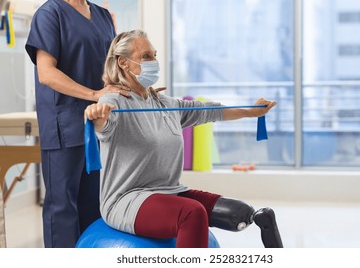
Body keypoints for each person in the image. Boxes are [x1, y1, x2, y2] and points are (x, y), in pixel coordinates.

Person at [84, 30, 284, 248]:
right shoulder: (113, 101)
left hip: (169, 191)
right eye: (146, 57)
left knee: (240, 213)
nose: (154, 62)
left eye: (155, 55)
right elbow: (104, 127)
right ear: (123, 62)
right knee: (192, 213)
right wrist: (98, 118)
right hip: (126, 200)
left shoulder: (162, 103)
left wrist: (250, 111)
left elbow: (208, 111)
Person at [24, 0, 125, 248]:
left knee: (95, 203)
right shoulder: (49, 14)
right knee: (63, 208)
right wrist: (94, 94)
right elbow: (46, 73)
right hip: (64, 123)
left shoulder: (102, 15)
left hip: (99, 124)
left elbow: (111, 69)